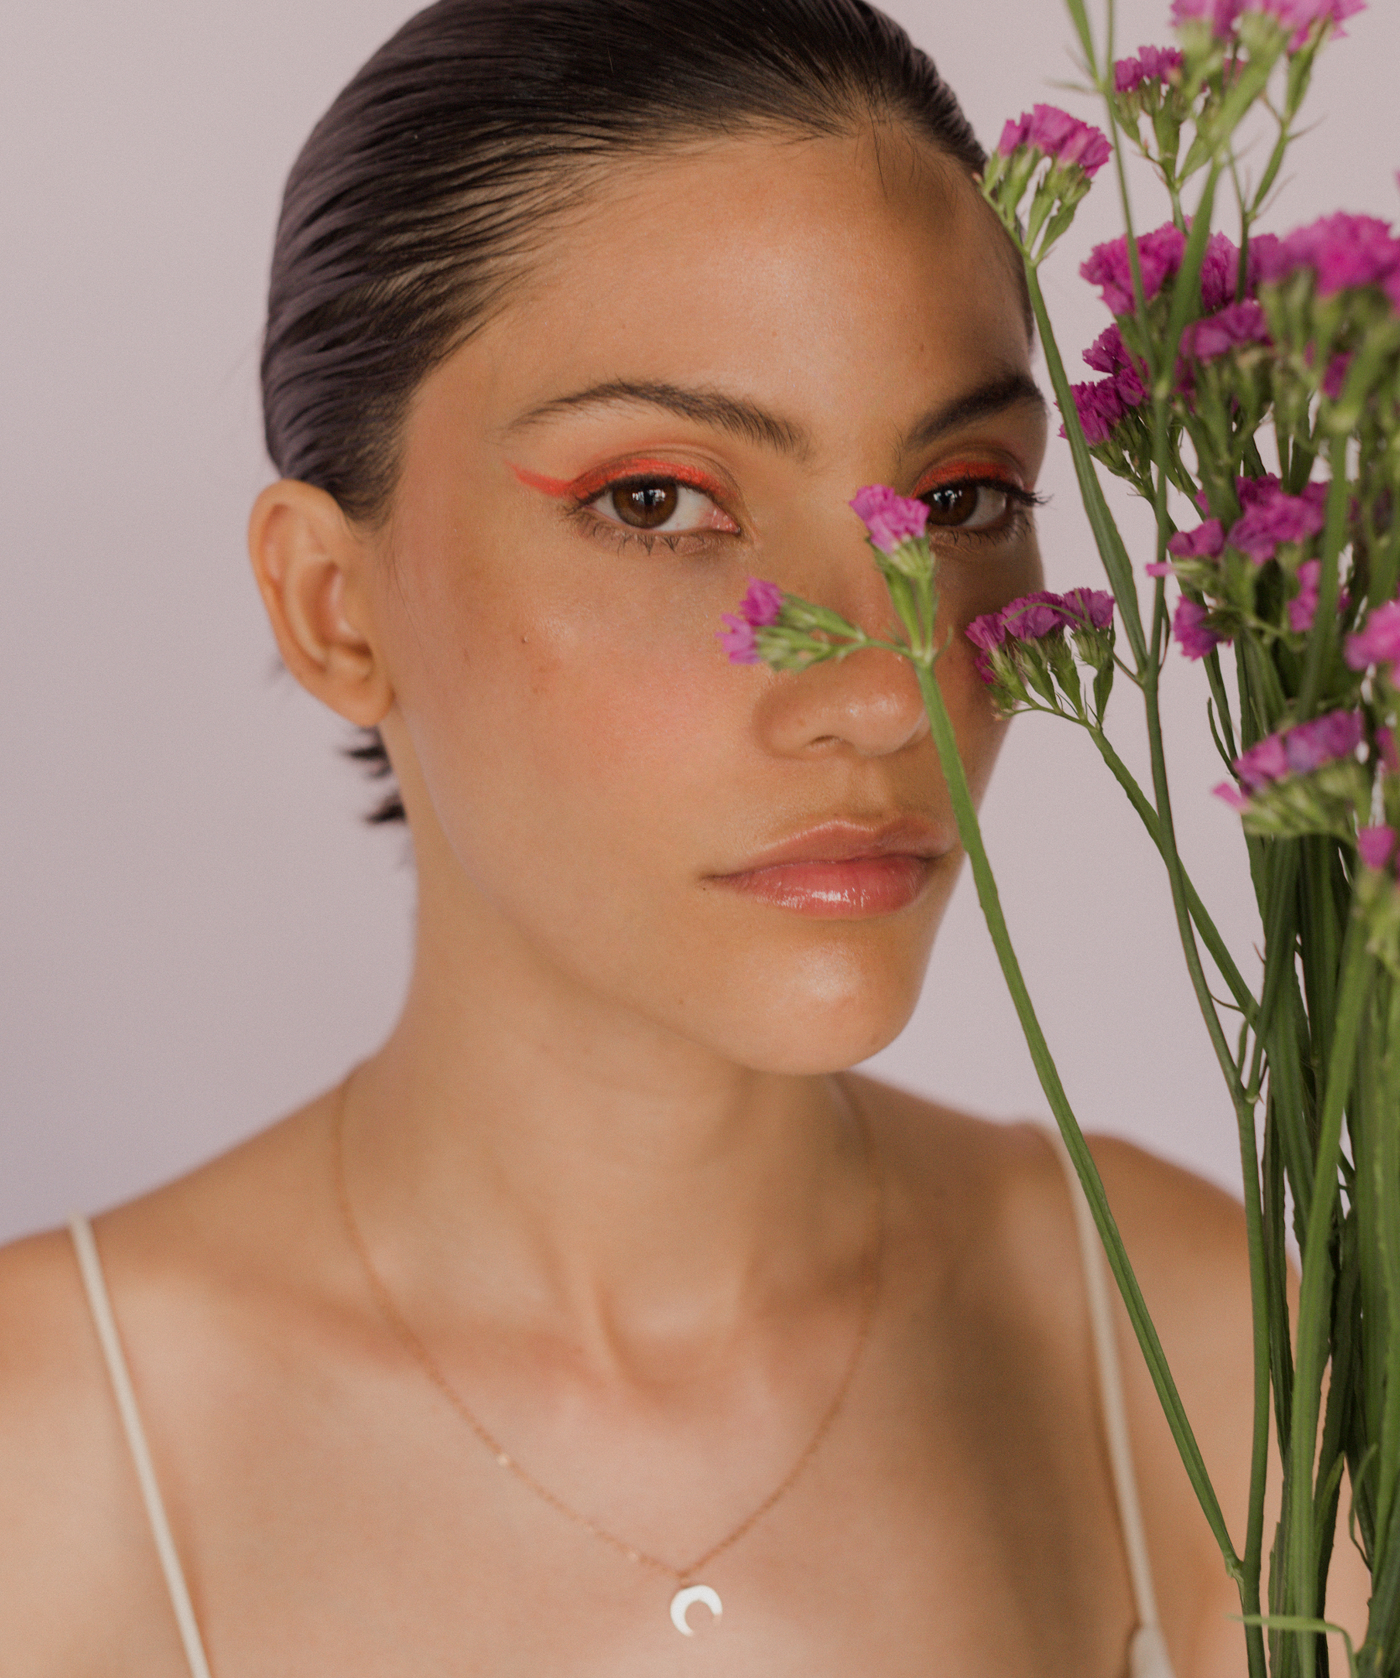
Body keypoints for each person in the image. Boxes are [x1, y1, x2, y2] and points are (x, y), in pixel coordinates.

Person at [0, 1, 1368, 1672]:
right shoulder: (48, 1449)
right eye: (656, 500)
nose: (884, 686)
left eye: (960, 498)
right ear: (331, 602)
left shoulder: (1219, 1352)